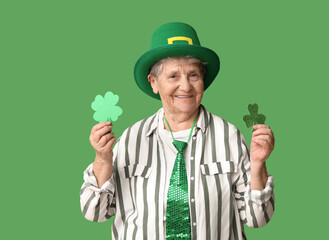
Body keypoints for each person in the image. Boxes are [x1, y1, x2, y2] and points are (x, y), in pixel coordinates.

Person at [80, 22, 275, 240]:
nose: (186, 86)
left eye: (193, 75)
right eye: (173, 76)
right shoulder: (131, 138)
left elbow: (258, 218)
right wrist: (102, 160)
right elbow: (95, 213)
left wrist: (259, 164)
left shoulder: (228, 136)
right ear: (154, 82)